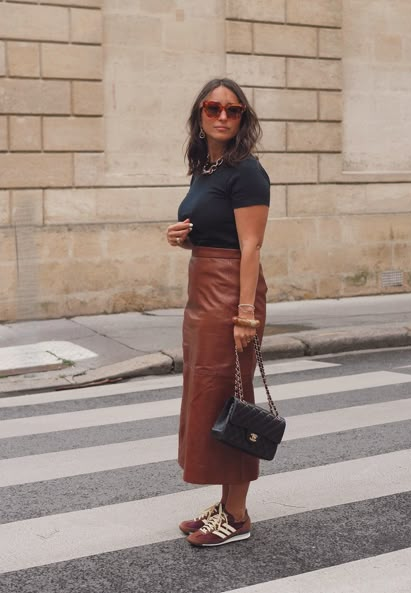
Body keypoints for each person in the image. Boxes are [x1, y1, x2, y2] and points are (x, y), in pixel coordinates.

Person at [166, 78, 270, 547]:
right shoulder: (206, 167)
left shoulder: (246, 171)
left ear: (243, 118)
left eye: (234, 110)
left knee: (232, 396)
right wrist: (182, 237)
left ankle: (239, 515)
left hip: (231, 293)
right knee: (209, 395)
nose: (223, 116)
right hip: (202, 287)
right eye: (214, 108)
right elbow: (215, 232)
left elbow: (250, 246)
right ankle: (227, 504)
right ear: (200, 114)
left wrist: (245, 313)